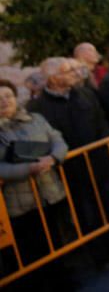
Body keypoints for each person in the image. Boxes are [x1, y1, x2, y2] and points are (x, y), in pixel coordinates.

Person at [27, 58, 109, 265]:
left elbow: (101, 120)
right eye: (68, 71)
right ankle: (99, 254)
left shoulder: (85, 93)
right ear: (53, 78)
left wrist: (105, 144)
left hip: (99, 159)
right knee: (86, 212)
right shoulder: (38, 107)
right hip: (71, 167)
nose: (74, 74)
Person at [0, 79, 75, 290]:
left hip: (48, 190)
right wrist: (27, 170)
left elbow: (58, 140)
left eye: (8, 96)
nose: (4, 102)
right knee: (31, 248)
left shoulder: (35, 119)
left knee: (55, 238)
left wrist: (53, 158)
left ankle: (62, 280)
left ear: (16, 98)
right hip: (18, 201)